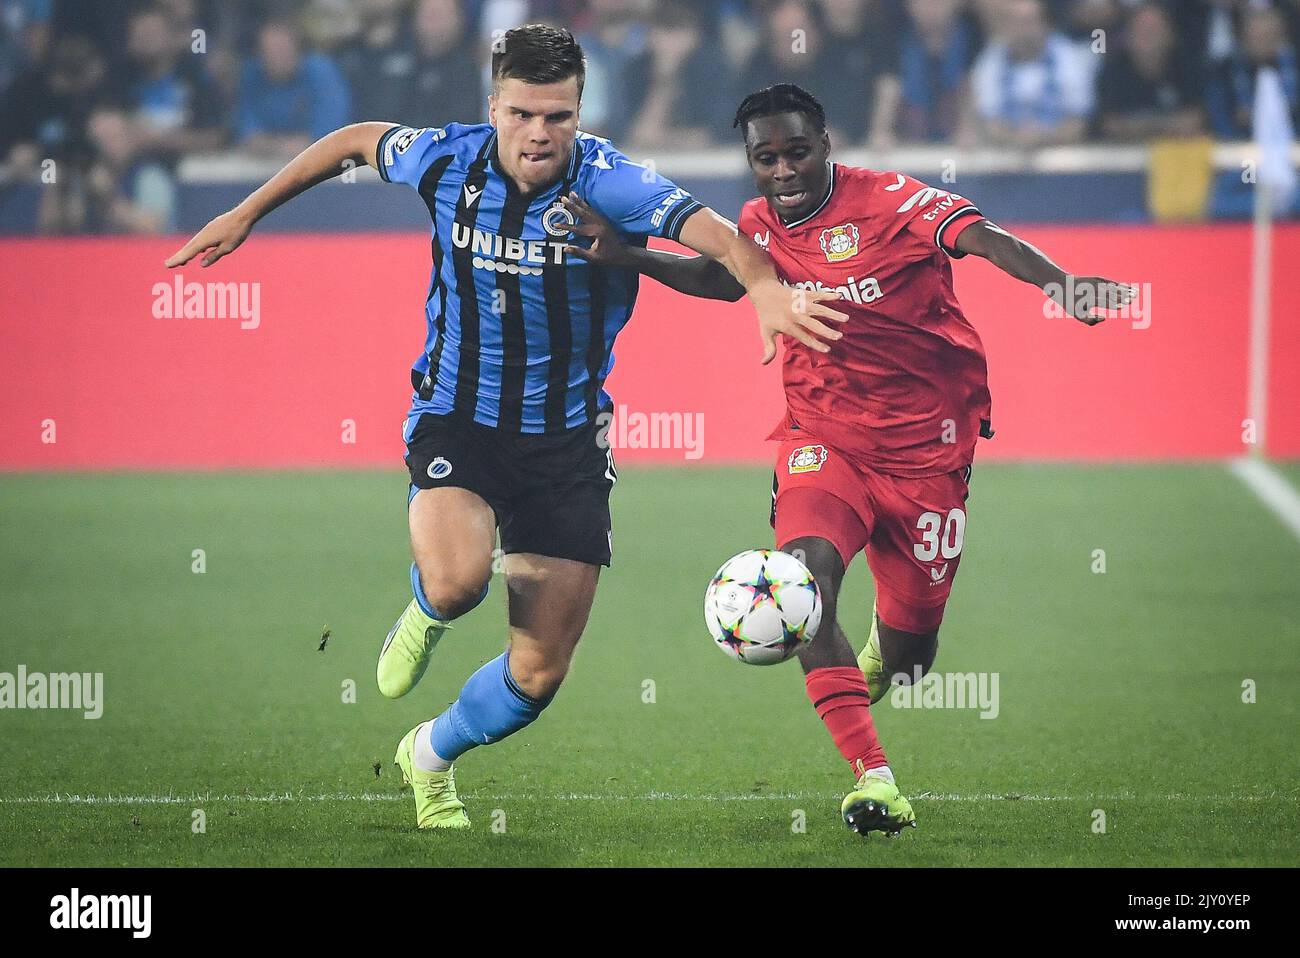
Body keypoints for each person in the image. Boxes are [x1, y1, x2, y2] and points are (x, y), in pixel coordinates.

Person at [166, 26, 844, 831]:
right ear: (492, 108)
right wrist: (247, 211)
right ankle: (426, 609)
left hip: (567, 446)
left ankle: (429, 756)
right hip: (459, 419)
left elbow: (722, 241)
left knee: (538, 675)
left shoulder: (612, 182)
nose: (539, 132)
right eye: (522, 113)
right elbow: (352, 141)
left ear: (578, 113)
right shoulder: (444, 159)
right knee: (458, 583)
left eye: (558, 115)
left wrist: (764, 288)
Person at [559, 83, 1134, 836]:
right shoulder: (760, 222)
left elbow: (988, 239)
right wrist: (628, 256)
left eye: (797, 151)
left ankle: (867, 669)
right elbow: (725, 279)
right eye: (766, 158)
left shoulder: (893, 203)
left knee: (911, 657)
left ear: (826, 145)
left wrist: (1063, 284)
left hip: (928, 457)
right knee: (803, 581)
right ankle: (874, 778)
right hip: (822, 439)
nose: (783, 170)